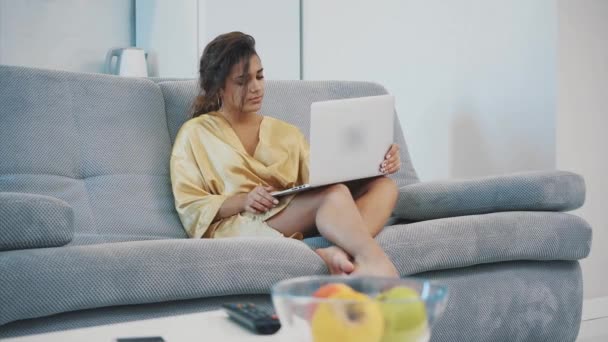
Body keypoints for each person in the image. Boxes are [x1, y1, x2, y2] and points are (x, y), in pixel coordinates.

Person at [170, 32, 402, 277]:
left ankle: (340, 252)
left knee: (384, 187)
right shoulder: (195, 133)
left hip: (293, 211)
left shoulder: (286, 133)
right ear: (218, 88)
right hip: (240, 222)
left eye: (260, 76)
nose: (256, 87)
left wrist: (377, 163)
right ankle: (374, 261)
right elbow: (190, 205)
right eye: (242, 81)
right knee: (333, 196)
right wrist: (244, 200)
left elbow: (324, 178)